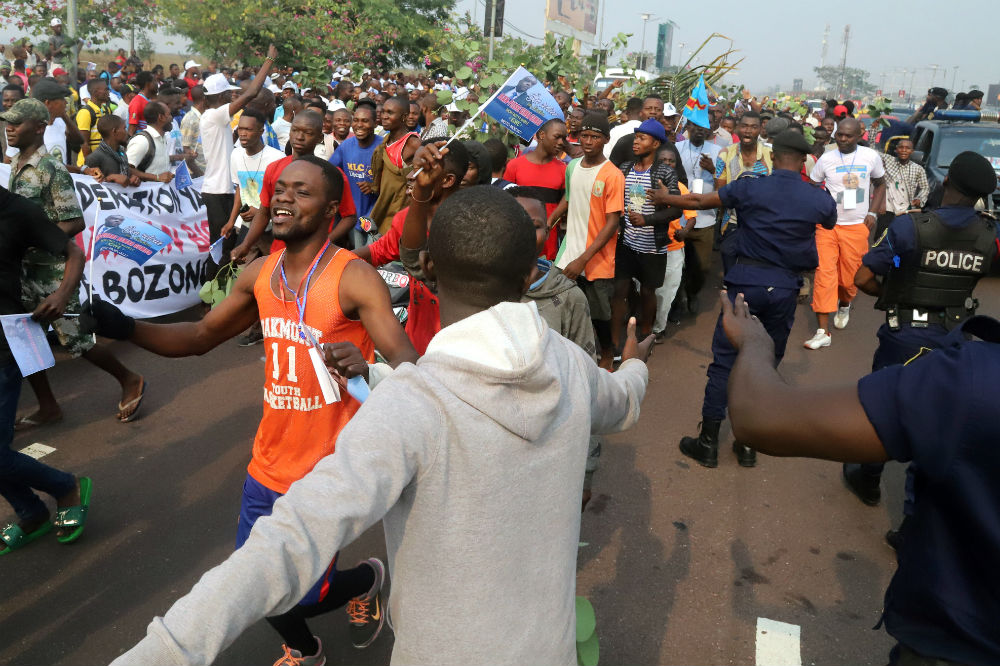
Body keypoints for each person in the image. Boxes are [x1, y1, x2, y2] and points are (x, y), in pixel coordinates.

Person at [108, 181, 652, 666]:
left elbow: (291, 541)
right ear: (531, 266)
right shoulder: (571, 365)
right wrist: (633, 361)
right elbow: (623, 402)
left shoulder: (414, 406)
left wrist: (166, 651)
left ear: (430, 270)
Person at [89, 156, 418, 664]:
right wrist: (125, 325)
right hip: (266, 464)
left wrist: (364, 366)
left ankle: (365, 578)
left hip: (327, 473)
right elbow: (199, 337)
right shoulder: (260, 273)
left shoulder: (353, 278)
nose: (283, 198)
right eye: (280, 189)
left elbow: (407, 364)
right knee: (260, 586)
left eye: (301, 192)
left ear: (332, 209)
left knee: (299, 593)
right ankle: (307, 650)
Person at [718, 290, 1000, 666]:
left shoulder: (976, 381)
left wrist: (754, 343)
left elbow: (758, 416)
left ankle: (868, 480)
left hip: (956, 646)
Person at [651, 131, 837, 468]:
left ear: (773, 155)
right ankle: (748, 444)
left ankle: (708, 443)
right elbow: (830, 219)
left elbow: (697, 202)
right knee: (764, 364)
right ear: (805, 161)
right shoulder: (815, 196)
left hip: (746, 285)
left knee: (725, 362)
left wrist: (667, 199)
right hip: (784, 289)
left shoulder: (752, 186)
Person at [844, 152, 998, 532]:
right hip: (954, 337)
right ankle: (913, 525)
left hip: (904, 336)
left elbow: (863, 278)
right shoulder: (989, 234)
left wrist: (897, 283)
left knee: (883, 407)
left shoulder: (909, 229)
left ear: (945, 183)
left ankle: (868, 482)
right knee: (939, 423)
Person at [2, 98, 145, 426]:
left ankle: (129, 378)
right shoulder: (16, 164)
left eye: (17, 122)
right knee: (27, 340)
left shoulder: (49, 168)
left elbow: (74, 222)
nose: (9, 128)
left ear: (39, 128)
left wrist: (32, 236)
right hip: (22, 270)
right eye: (7, 121)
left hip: (52, 271)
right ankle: (48, 406)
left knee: (77, 339)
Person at [0, 186, 91, 554]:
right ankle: (31, 511)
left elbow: (73, 251)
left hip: (2, 343)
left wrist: (61, 294)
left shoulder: (17, 210)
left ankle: (64, 486)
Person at [354, 140, 469, 354]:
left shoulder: (467, 227)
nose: (409, 177)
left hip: (454, 350)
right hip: (415, 344)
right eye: (411, 168)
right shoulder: (406, 218)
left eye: (419, 171)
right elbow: (375, 252)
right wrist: (326, 261)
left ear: (447, 180)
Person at [546, 113, 625, 370]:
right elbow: (567, 200)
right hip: (568, 252)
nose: (589, 141)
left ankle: (606, 353)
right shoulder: (572, 166)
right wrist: (549, 224)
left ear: (606, 140)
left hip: (596, 259)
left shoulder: (613, 175)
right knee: (561, 305)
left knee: (600, 313)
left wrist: (583, 259)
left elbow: (613, 223)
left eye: (595, 137)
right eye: (585, 136)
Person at [232, 110, 356, 262]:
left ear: (319, 138)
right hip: (279, 254)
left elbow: (349, 217)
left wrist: (325, 242)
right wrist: (246, 244)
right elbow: (264, 212)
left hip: (316, 257)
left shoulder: (330, 174)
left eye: (307, 132)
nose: (299, 137)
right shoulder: (274, 168)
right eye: (295, 130)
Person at [805, 117, 886, 349]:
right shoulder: (827, 159)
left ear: (859, 136)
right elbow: (813, 187)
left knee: (850, 278)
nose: (842, 139)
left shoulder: (870, 157)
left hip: (857, 226)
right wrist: (820, 210)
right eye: (839, 134)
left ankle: (845, 302)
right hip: (828, 226)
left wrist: (873, 214)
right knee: (824, 273)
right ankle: (823, 331)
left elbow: (881, 184)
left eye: (847, 135)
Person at [199, 46, 277, 272]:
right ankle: (211, 298)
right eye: (230, 95)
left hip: (223, 189)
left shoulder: (215, 120)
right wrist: (269, 59)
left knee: (230, 245)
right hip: (218, 191)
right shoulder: (215, 115)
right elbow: (252, 93)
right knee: (222, 247)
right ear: (221, 97)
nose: (233, 97)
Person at [614, 118, 682, 345]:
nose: (636, 142)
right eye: (636, 137)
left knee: (647, 291)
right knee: (620, 288)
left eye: (642, 138)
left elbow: (676, 211)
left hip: (652, 246)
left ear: (655, 144)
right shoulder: (625, 168)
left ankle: (646, 333)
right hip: (626, 243)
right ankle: (618, 335)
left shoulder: (664, 173)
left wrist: (647, 219)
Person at [220, 108, 286, 285]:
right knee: (242, 276)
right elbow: (240, 190)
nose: (243, 133)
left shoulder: (277, 158)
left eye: (248, 129)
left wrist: (261, 211)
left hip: (272, 227)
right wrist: (231, 221)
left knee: (276, 273)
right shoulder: (235, 155)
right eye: (240, 129)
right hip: (247, 226)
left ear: (261, 131)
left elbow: (284, 197)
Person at [675, 121, 723, 312]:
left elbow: (725, 180)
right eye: (696, 125)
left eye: (704, 125)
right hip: (679, 217)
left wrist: (712, 169)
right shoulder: (677, 148)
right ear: (688, 126)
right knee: (677, 266)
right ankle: (678, 299)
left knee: (702, 267)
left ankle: (693, 292)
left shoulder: (719, 151)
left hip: (705, 218)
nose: (700, 129)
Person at [503, 118, 568, 259]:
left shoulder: (563, 169)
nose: (561, 143)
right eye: (557, 137)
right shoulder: (515, 166)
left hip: (548, 241)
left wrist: (550, 221)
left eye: (564, 138)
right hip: (518, 236)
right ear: (542, 135)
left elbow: (567, 198)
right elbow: (505, 200)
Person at [651, 143, 697, 338]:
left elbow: (692, 216)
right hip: (646, 245)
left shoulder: (680, 187)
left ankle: (658, 329)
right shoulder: (645, 182)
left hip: (673, 247)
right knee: (645, 288)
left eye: (672, 161)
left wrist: (685, 231)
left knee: (667, 291)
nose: (668, 164)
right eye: (663, 160)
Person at [329, 101, 382, 248]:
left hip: (375, 215)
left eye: (365, 121)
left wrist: (375, 185)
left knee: (374, 257)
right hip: (354, 216)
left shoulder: (383, 147)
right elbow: (329, 171)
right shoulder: (346, 146)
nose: (359, 125)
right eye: (356, 120)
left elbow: (395, 182)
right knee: (358, 254)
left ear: (375, 124)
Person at [368, 95, 420, 233]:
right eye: (383, 112)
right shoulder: (387, 139)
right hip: (383, 205)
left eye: (390, 113)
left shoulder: (412, 143)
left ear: (403, 117)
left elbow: (420, 172)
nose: (384, 116)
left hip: (398, 210)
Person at [878, 136, 929, 236]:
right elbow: (872, 151)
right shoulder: (889, 160)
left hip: (906, 210)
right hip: (888, 209)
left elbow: (925, 187)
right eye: (901, 147)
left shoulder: (918, 169)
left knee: (902, 237)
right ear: (896, 150)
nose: (904, 150)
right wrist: (874, 130)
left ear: (912, 151)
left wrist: (920, 198)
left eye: (907, 148)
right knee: (881, 237)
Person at [32, 78, 82, 168]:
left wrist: (64, 116)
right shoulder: (30, 130)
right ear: (48, 103)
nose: (66, 102)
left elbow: (79, 142)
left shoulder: (61, 122)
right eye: (62, 99)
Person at [82, 115, 144, 185]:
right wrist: (110, 178)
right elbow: (89, 185)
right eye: (124, 128)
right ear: (114, 131)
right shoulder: (95, 157)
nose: (127, 133)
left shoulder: (121, 153)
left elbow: (124, 177)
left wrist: (132, 180)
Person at [125, 101, 173, 179]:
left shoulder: (162, 138)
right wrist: (156, 177)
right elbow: (126, 169)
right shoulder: (142, 141)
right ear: (161, 117)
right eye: (169, 114)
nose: (172, 118)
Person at [179, 84, 206, 177]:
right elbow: (185, 147)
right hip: (196, 172)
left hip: (206, 169)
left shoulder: (205, 116)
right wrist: (198, 172)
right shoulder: (190, 119)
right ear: (204, 99)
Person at [127, 71, 157, 136]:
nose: (156, 84)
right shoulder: (137, 102)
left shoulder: (148, 100)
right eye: (154, 81)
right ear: (148, 84)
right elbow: (131, 130)